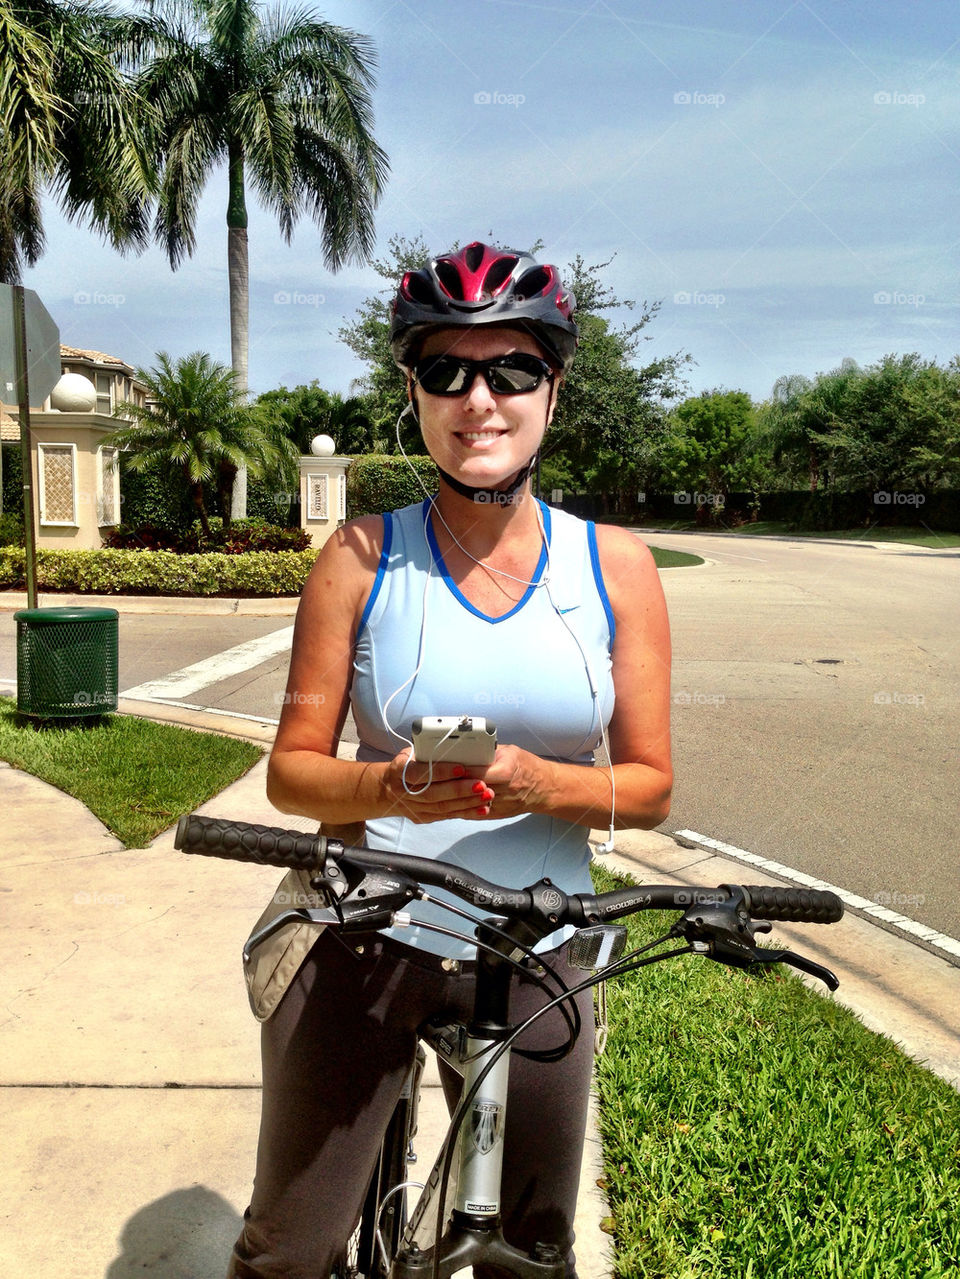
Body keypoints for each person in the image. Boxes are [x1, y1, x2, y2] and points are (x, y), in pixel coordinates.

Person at [227, 241, 672, 1278]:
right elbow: (293, 770)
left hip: (539, 938)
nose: (481, 399)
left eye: (512, 369)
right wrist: (389, 788)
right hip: (370, 922)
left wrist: (543, 783)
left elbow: (649, 784)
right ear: (415, 392)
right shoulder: (359, 557)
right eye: (447, 371)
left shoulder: (618, 569)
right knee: (286, 1251)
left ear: (553, 391)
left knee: (531, 1251)